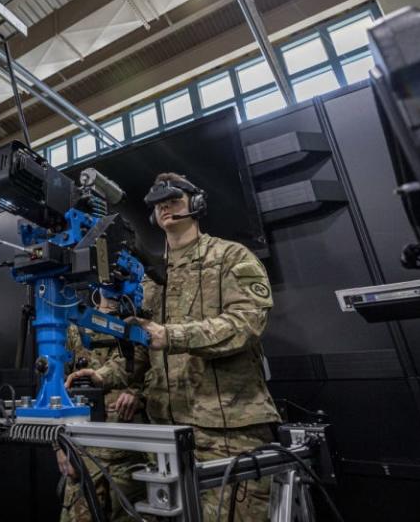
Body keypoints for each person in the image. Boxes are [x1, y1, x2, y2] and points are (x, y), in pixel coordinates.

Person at [67, 172, 281, 521]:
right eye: (158, 205)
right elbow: (138, 357)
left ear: (196, 204)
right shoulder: (149, 280)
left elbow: (247, 324)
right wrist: (103, 375)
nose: (166, 208)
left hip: (226, 436)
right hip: (163, 439)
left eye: (174, 200)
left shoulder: (230, 256)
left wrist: (171, 336)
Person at [58, 323, 147, 522]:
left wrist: (137, 393)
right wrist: (59, 448)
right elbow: (56, 389)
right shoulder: (76, 327)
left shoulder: (137, 325)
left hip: (129, 454)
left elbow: (158, 375)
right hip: (84, 454)